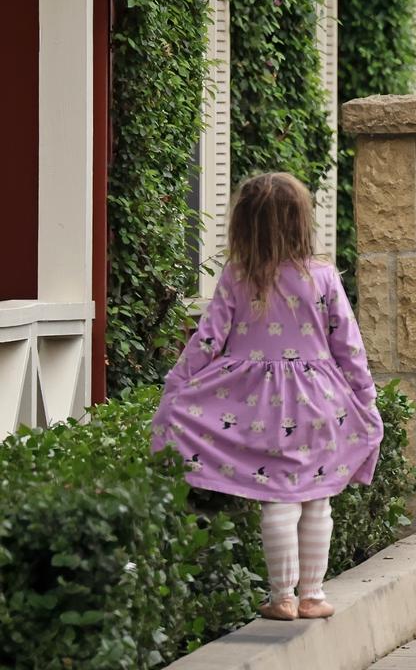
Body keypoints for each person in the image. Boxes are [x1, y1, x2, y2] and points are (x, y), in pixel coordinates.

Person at [151, 172, 383, 621]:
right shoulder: (323, 277)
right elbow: (349, 346)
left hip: (254, 404)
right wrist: (366, 399)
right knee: (317, 497)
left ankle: (282, 598)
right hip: (319, 403)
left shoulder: (238, 277)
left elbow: (206, 340)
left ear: (243, 223)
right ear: (302, 222)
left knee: (278, 496)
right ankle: (314, 595)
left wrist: (177, 386)